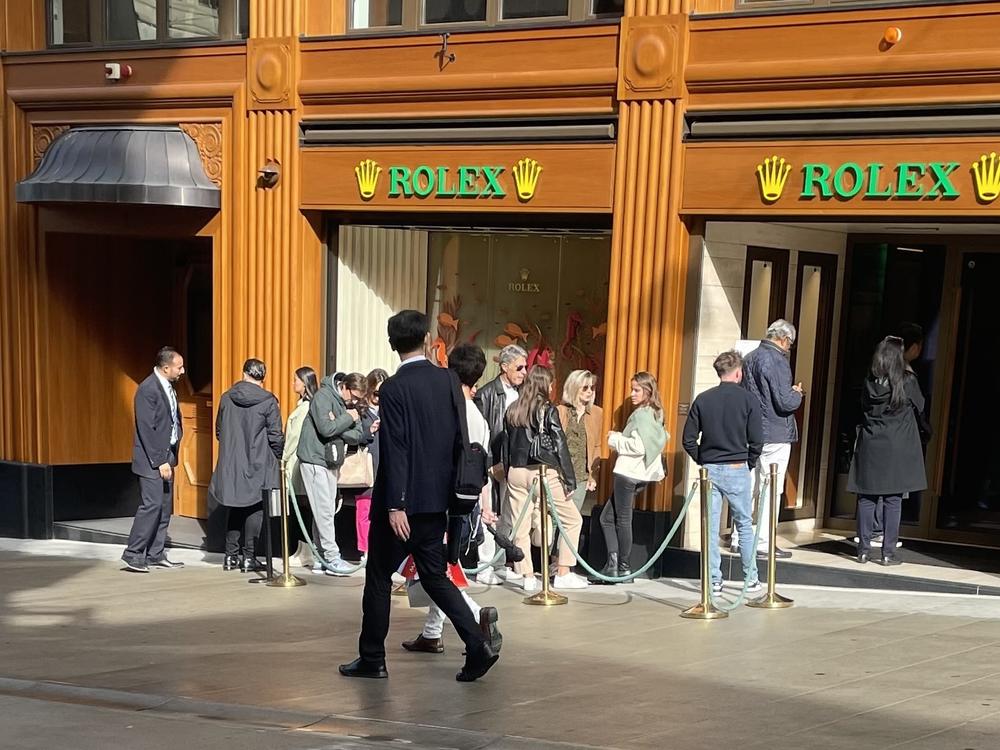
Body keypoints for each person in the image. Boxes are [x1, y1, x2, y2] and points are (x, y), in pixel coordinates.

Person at [339, 310, 500, 683]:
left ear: (392, 344)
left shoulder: (393, 389)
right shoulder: (448, 381)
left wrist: (396, 503)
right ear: (428, 341)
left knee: (378, 576)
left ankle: (372, 657)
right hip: (438, 502)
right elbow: (462, 440)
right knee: (435, 577)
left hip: (401, 503)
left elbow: (396, 448)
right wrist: (457, 498)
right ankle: (476, 643)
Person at [401, 343, 501, 655]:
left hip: (441, 501)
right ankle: (432, 633)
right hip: (465, 502)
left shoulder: (453, 409)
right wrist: (485, 506)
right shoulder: (478, 416)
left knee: (433, 571)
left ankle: (475, 617)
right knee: (441, 569)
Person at [682, 351, 763, 595]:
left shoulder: (703, 399)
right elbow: (757, 440)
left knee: (710, 526)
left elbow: (688, 439)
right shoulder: (749, 400)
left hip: (711, 468)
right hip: (738, 465)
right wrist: (749, 462)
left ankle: (713, 580)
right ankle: (750, 579)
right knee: (744, 526)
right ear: (738, 372)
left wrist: (702, 459)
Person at [503, 365, 588, 591]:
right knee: (572, 519)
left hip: (516, 471)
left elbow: (505, 446)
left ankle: (528, 576)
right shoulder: (547, 410)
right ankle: (563, 570)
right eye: (551, 384)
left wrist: (507, 470)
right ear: (545, 385)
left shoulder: (512, 409)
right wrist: (569, 479)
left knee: (519, 525)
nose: (552, 388)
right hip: (543, 472)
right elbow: (560, 444)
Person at [848, 336, 927, 566]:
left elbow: (862, 407)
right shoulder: (907, 381)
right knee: (893, 500)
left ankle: (862, 550)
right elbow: (921, 405)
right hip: (897, 447)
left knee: (866, 498)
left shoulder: (869, 381)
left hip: (871, 445)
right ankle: (888, 553)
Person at [209, 358, 285, 572]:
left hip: (233, 461)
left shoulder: (226, 397)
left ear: (244, 373)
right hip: (259, 461)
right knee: (255, 508)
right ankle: (249, 557)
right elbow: (275, 436)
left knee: (235, 506)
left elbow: (218, 430)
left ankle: (230, 556)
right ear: (263, 377)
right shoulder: (268, 401)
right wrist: (278, 456)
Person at [738, 319, 803, 560]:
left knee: (748, 486)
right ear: (785, 339)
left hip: (751, 430)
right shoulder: (778, 361)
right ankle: (764, 542)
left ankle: (739, 538)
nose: (789, 348)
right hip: (775, 433)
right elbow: (784, 402)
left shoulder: (750, 357)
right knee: (771, 487)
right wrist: (797, 394)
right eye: (790, 344)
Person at [598, 372, 668, 583]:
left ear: (648, 391)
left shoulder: (641, 415)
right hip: (642, 475)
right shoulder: (657, 413)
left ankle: (620, 566)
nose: (632, 394)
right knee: (608, 518)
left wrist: (615, 439)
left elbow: (637, 446)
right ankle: (617, 566)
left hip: (628, 472)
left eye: (637, 390)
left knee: (619, 519)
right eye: (632, 389)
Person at [122, 347, 186, 573]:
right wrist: (160, 461)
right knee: (152, 505)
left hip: (167, 455)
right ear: (166, 367)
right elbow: (147, 428)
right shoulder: (147, 389)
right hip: (152, 459)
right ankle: (134, 553)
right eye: (179, 367)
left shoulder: (169, 387)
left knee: (164, 507)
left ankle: (155, 553)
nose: (182, 371)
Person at [297, 370, 366, 576]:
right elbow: (326, 429)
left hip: (330, 461)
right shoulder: (323, 397)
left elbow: (358, 434)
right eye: (352, 396)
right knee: (324, 510)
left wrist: (339, 423)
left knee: (324, 509)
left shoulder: (345, 404)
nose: (354, 402)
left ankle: (321, 557)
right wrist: (347, 418)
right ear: (344, 386)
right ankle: (332, 558)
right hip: (316, 460)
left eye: (357, 399)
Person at [473, 343, 527, 584]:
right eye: (519, 367)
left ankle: (501, 559)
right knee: (489, 512)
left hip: (515, 465)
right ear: (505, 367)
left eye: (526, 367)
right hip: (492, 464)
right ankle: (485, 566)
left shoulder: (523, 393)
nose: (524, 372)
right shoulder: (486, 394)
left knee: (509, 514)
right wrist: (490, 464)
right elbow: (481, 434)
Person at [284, 366, 318, 568]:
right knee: (300, 508)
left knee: (301, 507)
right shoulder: (305, 405)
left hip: (297, 464)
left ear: (304, 383)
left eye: (295, 380)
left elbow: (294, 438)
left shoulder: (306, 408)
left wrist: (284, 458)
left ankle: (306, 551)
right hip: (299, 463)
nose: (293, 383)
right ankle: (301, 549)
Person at [557, 370, 604, 512]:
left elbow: (597, 446)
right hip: (558, 475)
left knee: (573, 519)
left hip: (581, 477)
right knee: (553, 519)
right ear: (574, 387)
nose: (589, 391)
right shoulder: (560, 411)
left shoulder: (597, 413)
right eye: (585, 388)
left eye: (592, 388)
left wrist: (593, 476)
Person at [354, 368, 389, 558]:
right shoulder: (359, 410)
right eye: (376, 393)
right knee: (364, 510)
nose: (378, 398)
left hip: (383, 465)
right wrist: (369, 431)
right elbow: (352, 437)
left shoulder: (388, 409)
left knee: (382, 512)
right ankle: (365, 550)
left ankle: (379, 548)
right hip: (366, 466)